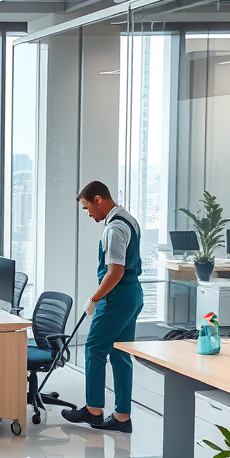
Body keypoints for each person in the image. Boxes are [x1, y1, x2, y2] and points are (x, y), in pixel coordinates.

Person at [62, 180, 143, 433]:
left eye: (88, 208)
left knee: (95, 348)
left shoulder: (114, 229)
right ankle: (121, 417)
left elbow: (115, 272)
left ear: (98, 199)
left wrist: (95, 299)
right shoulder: (129, 219)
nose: (89, 214)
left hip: (117, 296)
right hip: (132, 294)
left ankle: (94, 410)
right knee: (120, 353)